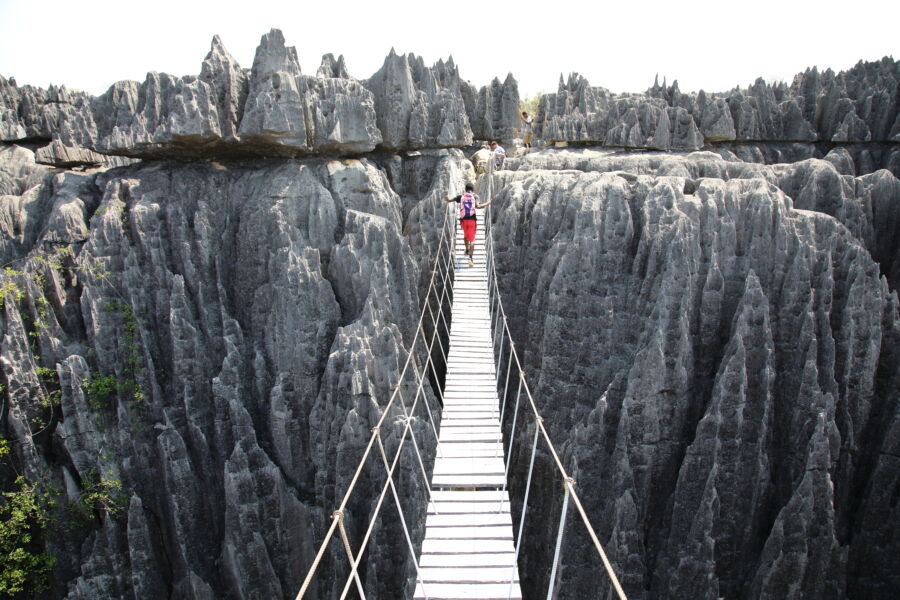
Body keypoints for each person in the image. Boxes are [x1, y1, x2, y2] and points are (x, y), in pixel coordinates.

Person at [445, 183, 491, 267]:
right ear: (473, 190)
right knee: (472, 240)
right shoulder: (475, 196)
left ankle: (466, 249)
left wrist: (446, 197)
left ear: (465, 190)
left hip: (463, 221)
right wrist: (487, 203)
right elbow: (478, 206)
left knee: (466, 235)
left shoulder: (461, 196)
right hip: (472, 220)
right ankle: (470, 258)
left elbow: (449, 200)